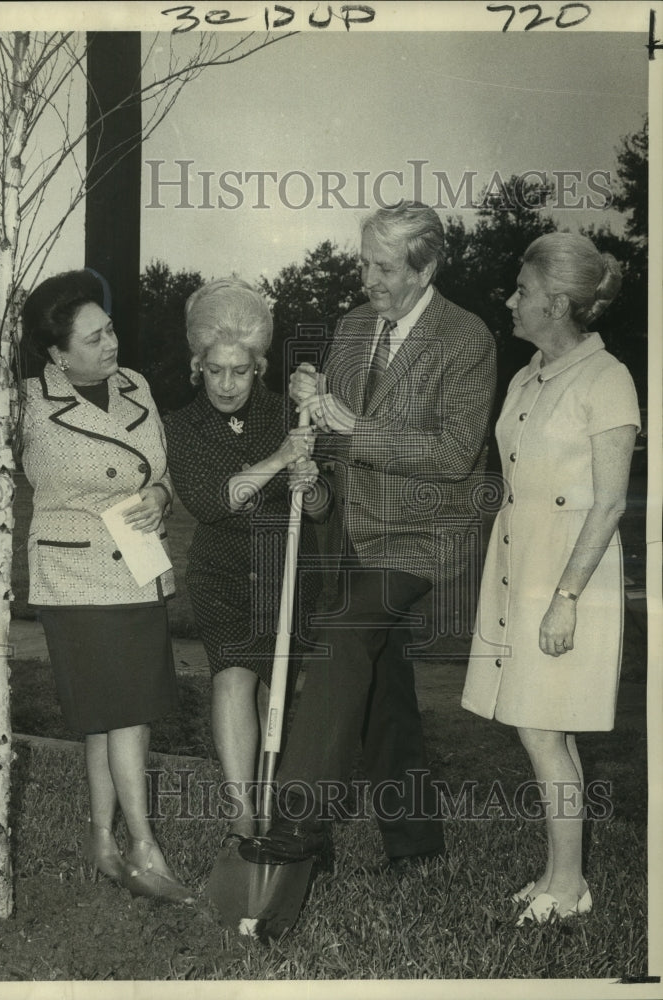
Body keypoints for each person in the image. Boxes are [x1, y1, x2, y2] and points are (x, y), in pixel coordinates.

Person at [240, 202, 497, 873]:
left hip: (421, 537)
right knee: (382, 682)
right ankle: (414, 845)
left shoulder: (467, 339)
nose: (366, 278)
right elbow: (334, 433)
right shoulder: (353, 327)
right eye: (362, 262)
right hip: (348, 531)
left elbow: (453, 455)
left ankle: (297, 825)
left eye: (382, 267)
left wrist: (351, 425)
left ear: (425, 267)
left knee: (347, 634)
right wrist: (313, 400)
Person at [461, 233, 640, 925]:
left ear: (558, 304)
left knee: (542, 731)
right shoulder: (527, 376)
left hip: (569, 578)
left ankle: (567, 888)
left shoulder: (607, 379)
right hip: (520, 566)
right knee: (539, 729)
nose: (512, 300)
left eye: (523, 292)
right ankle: (556, 877)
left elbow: (610, 501)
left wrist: (564, 599)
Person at [17, 269, 193, 904]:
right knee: (126, 716)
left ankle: (103, 842)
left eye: (110, 328)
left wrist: (157, 494)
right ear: (58, 354)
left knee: (110, 719)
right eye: (92, 340)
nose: (110, 344)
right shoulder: (25, 404)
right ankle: (145, 848)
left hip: (139, 570)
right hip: (76, 577)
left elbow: (162, 469)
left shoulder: (136, 386)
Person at [162, 277, 325, 844]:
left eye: (240, 369)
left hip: (284, 573)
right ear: (196, 365)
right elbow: (212, 500)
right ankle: (242, 818)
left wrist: (312, 481)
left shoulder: (290, 414)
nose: (227, 384)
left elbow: (324, 508)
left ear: (258, 365)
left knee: (269, 692)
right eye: (215, 370)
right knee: (232, 679)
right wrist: (284, 458)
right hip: (222, 574)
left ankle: (267, 798)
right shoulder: (181, 427)